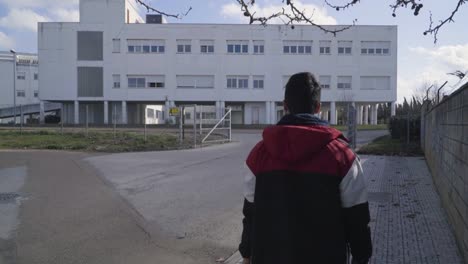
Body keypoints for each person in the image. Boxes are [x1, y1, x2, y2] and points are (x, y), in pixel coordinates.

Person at [239, 72, 372, 264]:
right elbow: (357, 218)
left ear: (285, 106)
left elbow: (250, 212)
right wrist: (361, 257)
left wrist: (246, 254)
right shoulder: (343, 157)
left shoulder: (258, 155)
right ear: (318, 107)